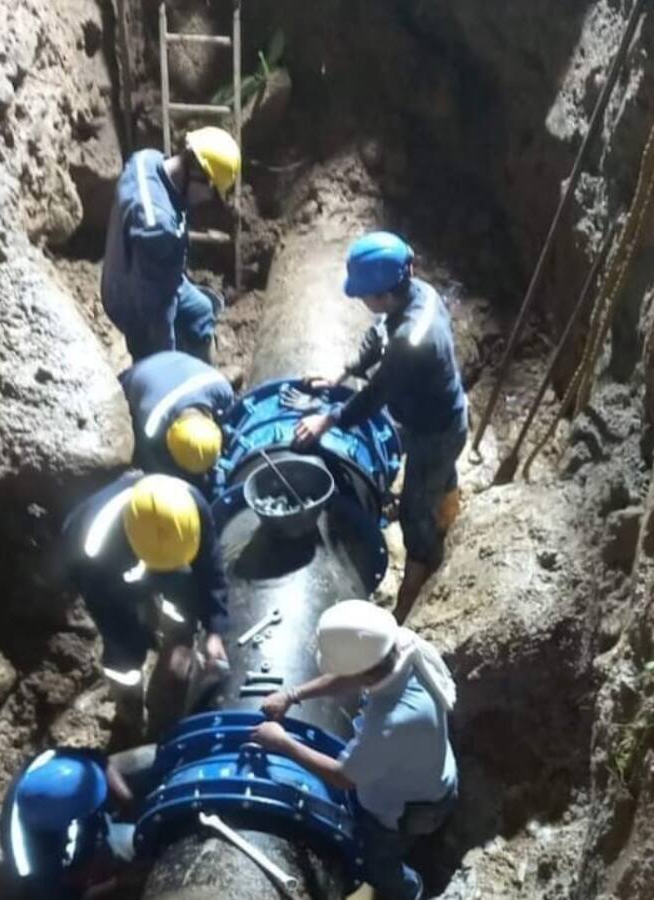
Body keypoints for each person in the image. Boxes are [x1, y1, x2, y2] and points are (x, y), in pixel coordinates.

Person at [292, 232, 467, 622]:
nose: (359, 301)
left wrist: (328, 419)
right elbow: (378, 334)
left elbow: (375, 396)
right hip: (433, 411)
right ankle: (450, 508)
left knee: (413, 512)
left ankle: (419, 581)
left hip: (435, 431)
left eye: (362, 295)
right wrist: (345, 370)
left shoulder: (413, 341)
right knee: (440, 476)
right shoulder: (415, 293)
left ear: (384, 293)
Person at [250, 600, 458, 900]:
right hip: (429, 773)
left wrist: (281, 742)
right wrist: (292, 695)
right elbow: (354, 674)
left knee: (378, 865)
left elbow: (343, 777)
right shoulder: (400, 644)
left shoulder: (390, 722)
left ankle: (413, 891)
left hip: (412, 810)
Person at [62, 472, 229, 738]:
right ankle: (129, 710)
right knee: (124, 653)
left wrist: (215, 629)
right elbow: (111, 617)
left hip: (151, 560)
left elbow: (211, 569)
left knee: (185, 602)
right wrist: (140, 638)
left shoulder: (190, 506)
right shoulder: (93, 548)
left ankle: (175, 658)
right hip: (111, 575)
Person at [101, 126, 240, 363]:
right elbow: (156, 315)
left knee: (202, 311)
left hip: (139, 268)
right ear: (196, 171)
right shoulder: (158, 229)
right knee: (162, 363)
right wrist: (170, 365)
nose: (208, 200)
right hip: (131, 299)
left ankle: (204, 374)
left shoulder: (145, 159)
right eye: (212, 192)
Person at [0, 748, 140, 899]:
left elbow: (97, 759)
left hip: (90, 818)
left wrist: (128, 799)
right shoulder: (39, 868)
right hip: (87, 857)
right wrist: (119, 882)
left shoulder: (51, 764)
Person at [118, 349, 235, 490]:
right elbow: (154, 466)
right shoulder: (151, 425)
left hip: (173, 360)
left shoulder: (221, 388)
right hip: (136, 374)